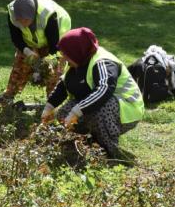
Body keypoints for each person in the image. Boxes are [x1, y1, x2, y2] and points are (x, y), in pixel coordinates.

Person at [41, 27, 144, 157]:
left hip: (127, 110)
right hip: (104, 103)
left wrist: (76, 112)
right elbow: (64, 84)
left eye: (66, 54)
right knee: (63, 114)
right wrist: (48, 108)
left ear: (76, 51)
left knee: (100, 110)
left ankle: (108, 152)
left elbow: (104, 90)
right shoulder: (80, 59)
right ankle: (82, 144)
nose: (63, 58)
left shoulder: (104, 62)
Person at [0, 0, 71, 104]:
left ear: (33, 14)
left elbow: (54, 46)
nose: (23, 23)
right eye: (20, 20)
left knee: (54, 72)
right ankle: (8, 96)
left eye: (26, 20)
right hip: (32, 41)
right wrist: (27, 52)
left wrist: (43, 66)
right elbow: (16, 38)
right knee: (20, 65)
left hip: (57, 41)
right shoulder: (13, 13)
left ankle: (53, 103)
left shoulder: (48, 14)